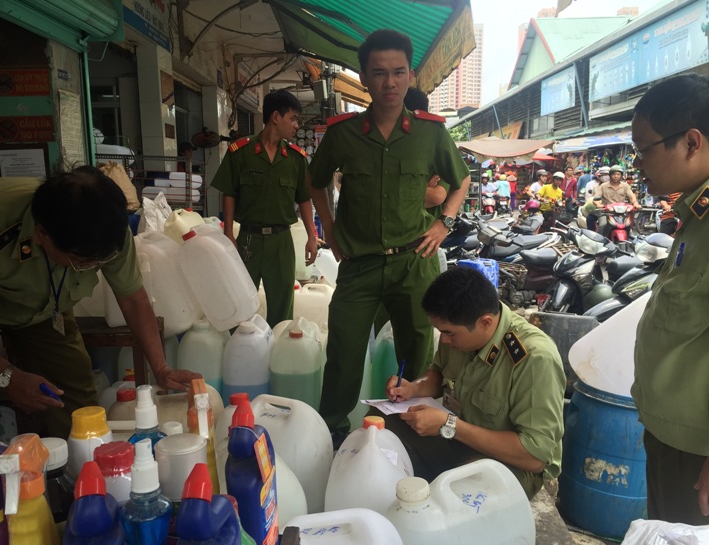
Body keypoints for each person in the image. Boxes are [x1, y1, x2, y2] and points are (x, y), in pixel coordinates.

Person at [0, 167, 198, 438]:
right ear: (42, 234)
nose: (94, 266)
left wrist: (161, 367)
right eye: (84, 261)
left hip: (47, 308)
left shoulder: (107, 228)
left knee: (77, 399)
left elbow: (133, 299)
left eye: (100, 260)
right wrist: (7, 376)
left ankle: (78, 471)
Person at [308, 29, 471, 440]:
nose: (390, 82)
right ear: (364, 77)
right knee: (343, 353)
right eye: (379, 73)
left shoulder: (430, 133)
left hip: (414, 261)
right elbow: (316, 181)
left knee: (417, 352)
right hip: (359, 264)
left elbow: (461, 180)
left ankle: (413, 435)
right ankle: (333, 436)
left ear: (411, 75)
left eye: (398, 72)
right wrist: (328, 226)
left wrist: (443, 223)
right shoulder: (343, 133)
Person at [380, 267, 565, 499]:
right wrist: (413, 388)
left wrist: (450, 426)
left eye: (449, 334)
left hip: (508, 461)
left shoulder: (534, 358)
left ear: (486, 322)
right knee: (381, 423)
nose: (444, 340)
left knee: (463, 488)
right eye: (440, 332)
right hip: (457, 438)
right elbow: (438, 372)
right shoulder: (459, 333)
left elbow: (534, 457)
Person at [631, 74, 709, 525]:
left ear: (691, 142)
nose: (638, 162)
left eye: (644, 149)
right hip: (670, 435)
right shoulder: (692, 215)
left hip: (697, 454)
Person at [212, 90, 318, 329]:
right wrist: (228, 233)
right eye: (292, 118)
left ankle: (277, 354)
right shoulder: (241, 153)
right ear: (275, 117)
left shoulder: (295, 158)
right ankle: (242, 351)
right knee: (240, 301)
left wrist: (312, 235)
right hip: (248, 240)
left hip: (281, 241)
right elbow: (229, 192)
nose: (295, 125)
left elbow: (304, 200)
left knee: (282, 306)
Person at [593, 165, 640, 237]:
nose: (616, 176)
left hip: (621, 213)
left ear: (621, 176)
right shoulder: (603, 186)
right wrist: (599, 204)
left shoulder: (625, 186)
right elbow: (596, 198)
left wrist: (635, 204)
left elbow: (631, 197)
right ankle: (598, 241)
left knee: (628, 225)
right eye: (614, 174)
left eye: (618, 174)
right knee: (603, 224)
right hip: (607, 212)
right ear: (610, 175)